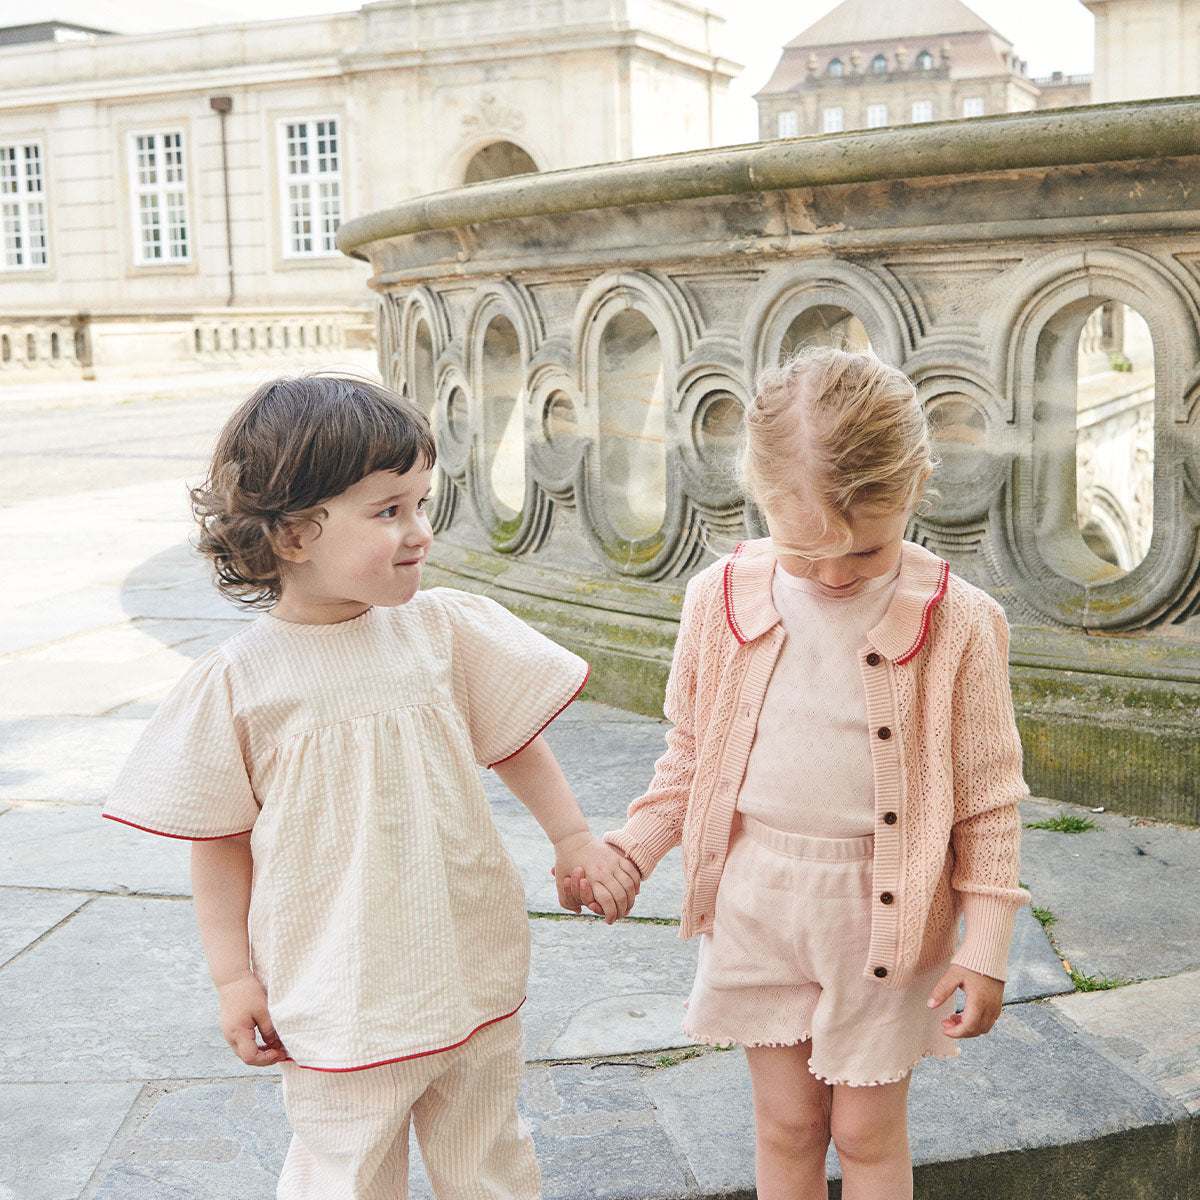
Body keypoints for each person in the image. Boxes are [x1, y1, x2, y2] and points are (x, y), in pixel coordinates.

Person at [102, 374, 639, 1200]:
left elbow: (515, 740)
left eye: (421, 503)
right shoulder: (242, 682)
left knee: (490, 1163)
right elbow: (218, 840)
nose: (419, 532)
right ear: (290, 535)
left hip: (467, 962)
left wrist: (572, 838)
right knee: (345, 1175)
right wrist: (233, 977)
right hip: (339, 987)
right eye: (388, 511)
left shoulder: (443, 630)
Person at [590, 347, 1029, 1200]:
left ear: (915, 487)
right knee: (786, 1126)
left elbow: (987, 799)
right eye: (804, 552)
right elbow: (692, 753)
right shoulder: (718, 600)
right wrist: (635, 849)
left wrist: (987, 947)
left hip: (885, 919)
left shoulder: (962, 623)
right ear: (757, 491)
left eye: (863, 552)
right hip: (759, 900)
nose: (832, 576)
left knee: (866, 1136)